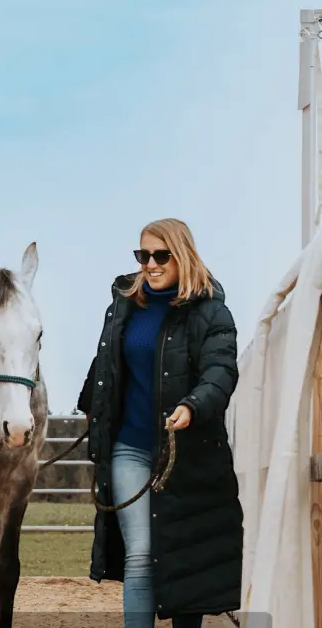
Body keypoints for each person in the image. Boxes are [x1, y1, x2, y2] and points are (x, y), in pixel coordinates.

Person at [76, 218, 242, 628]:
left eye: (160, 255)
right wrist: (89, 404)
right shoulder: (124, 307)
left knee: (187, 555)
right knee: (141, 554)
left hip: (187, 451)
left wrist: (193, 406)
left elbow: (220, 372)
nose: (150, 264)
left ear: (181, 255)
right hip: (130, 447)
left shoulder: (211, 312)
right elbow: (107, 365)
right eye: (143, 255)